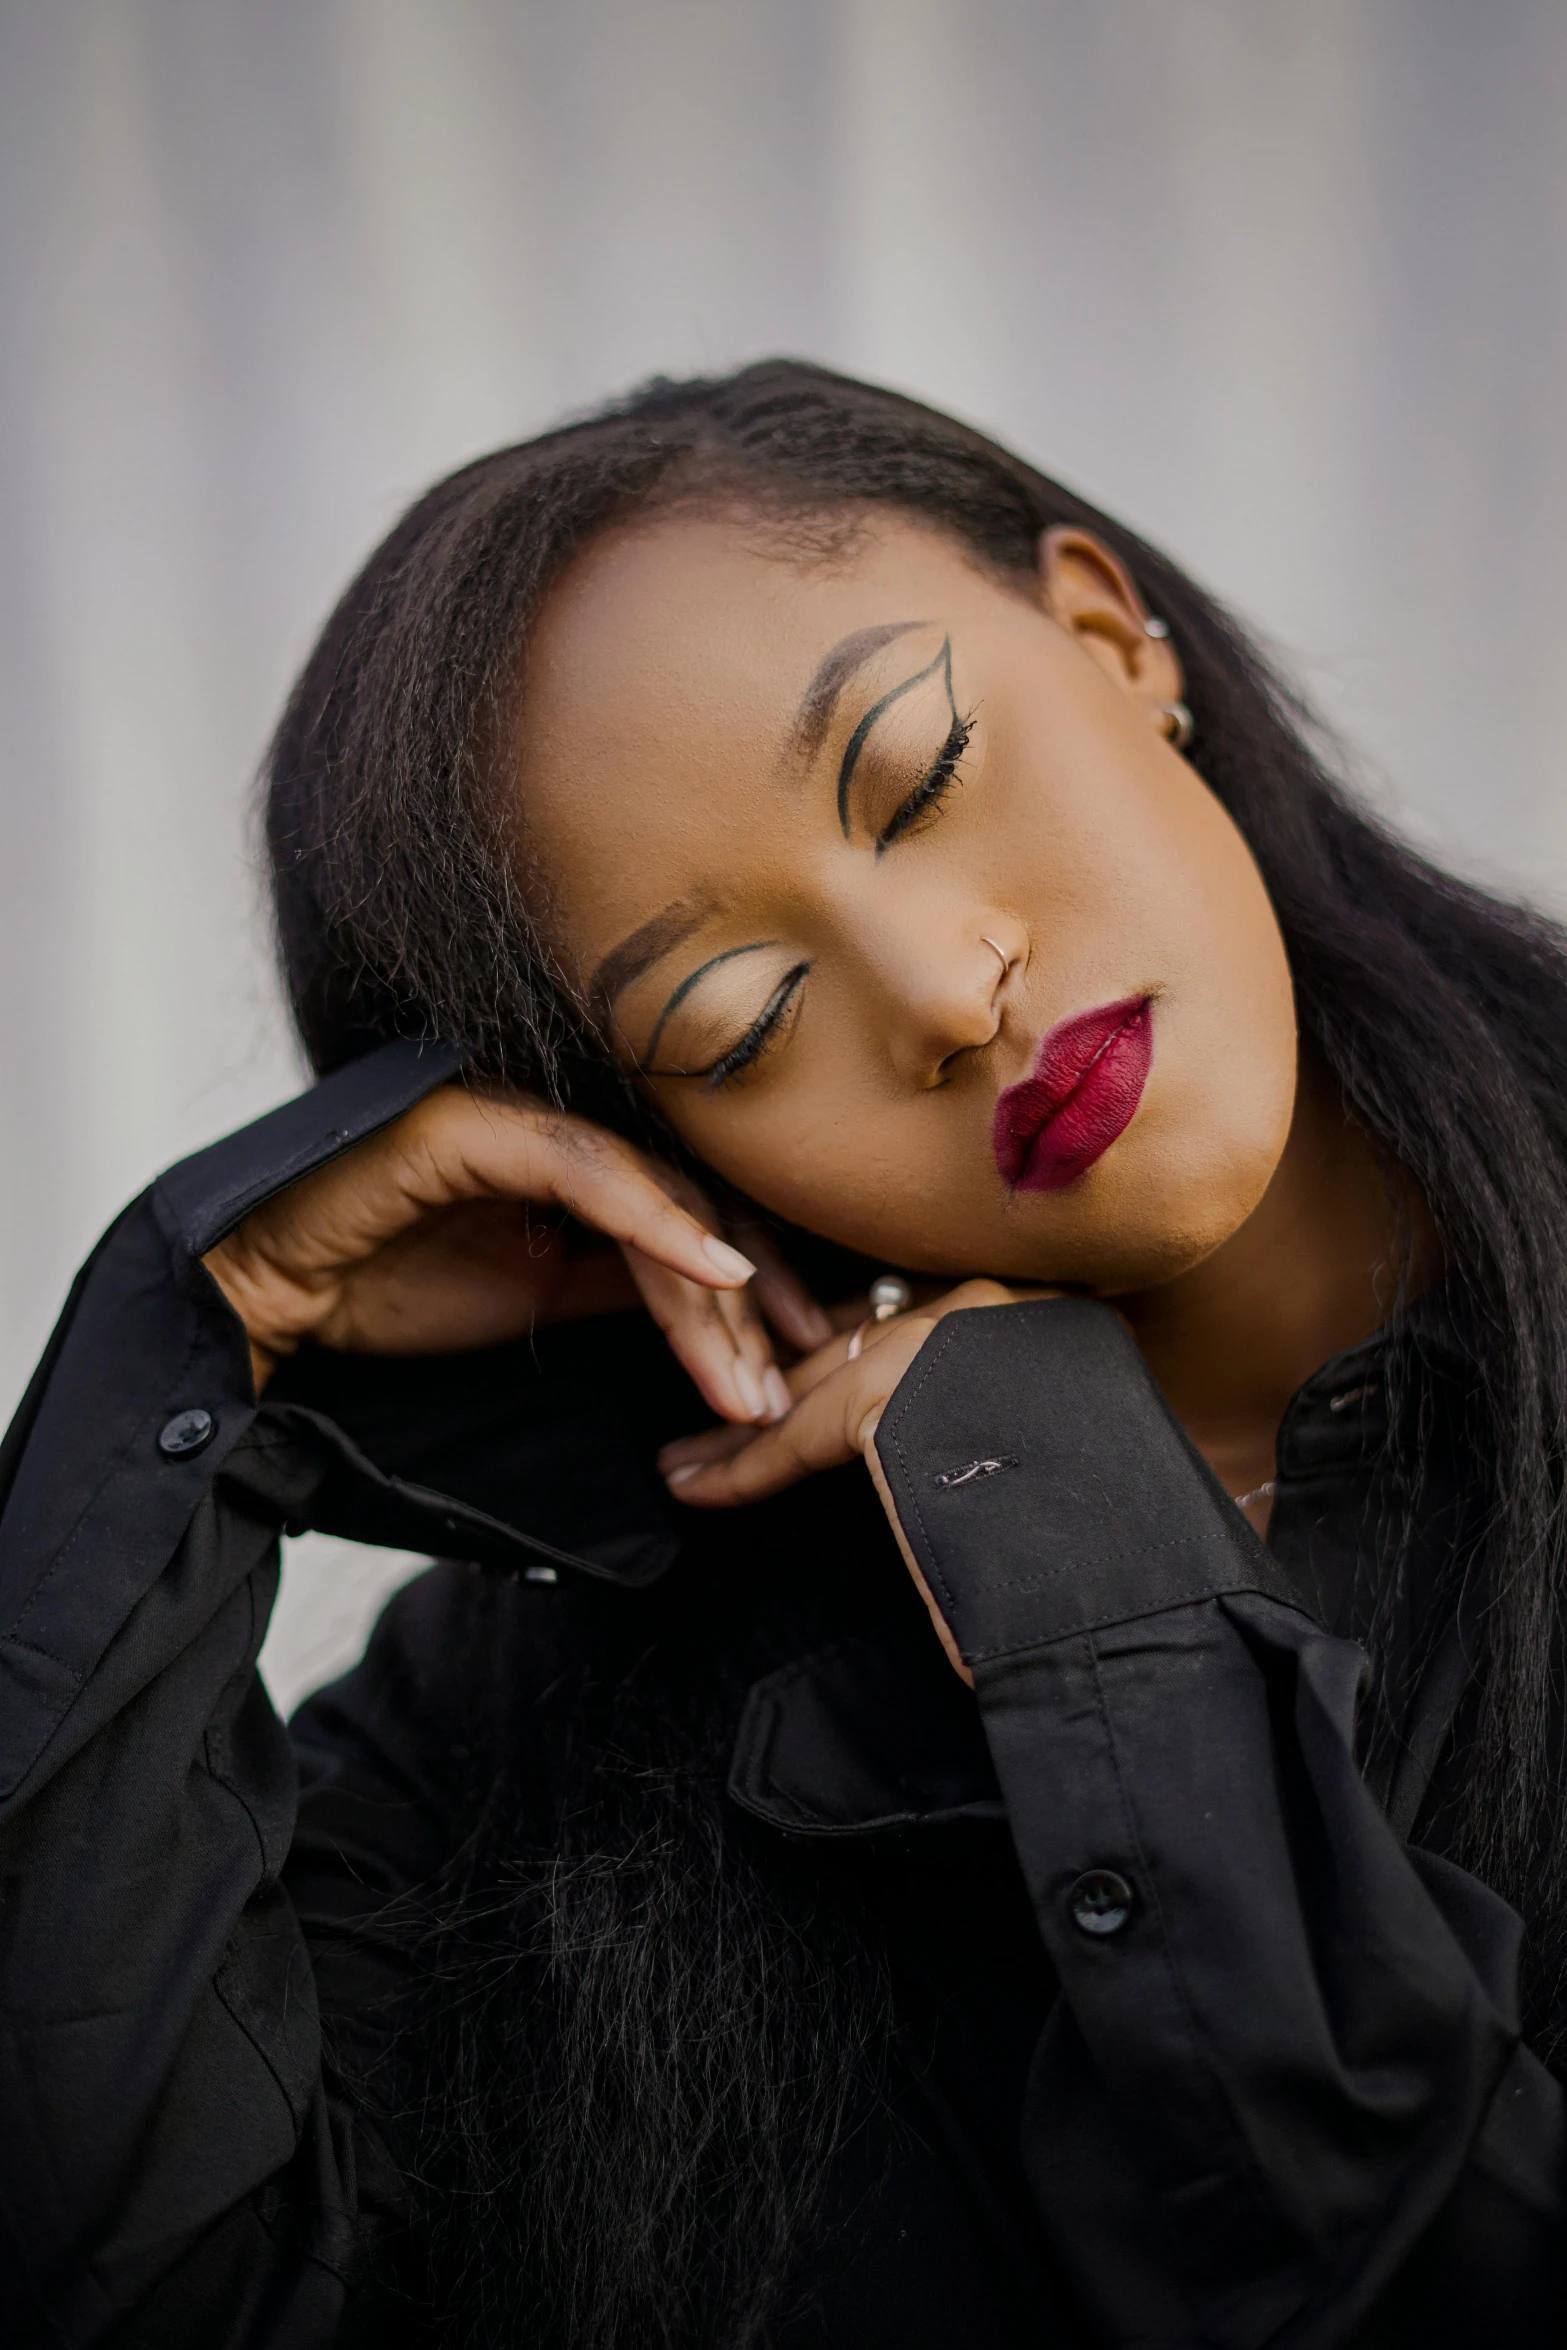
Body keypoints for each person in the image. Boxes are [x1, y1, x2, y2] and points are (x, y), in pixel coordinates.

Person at [1, 361, 1563, 2349]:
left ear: (1107, 633)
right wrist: (187, 1363)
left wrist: (1096, 1583)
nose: (939, 991)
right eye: (738, 1023)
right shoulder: (530, 1725)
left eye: (914, 772)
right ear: (654, 1157)